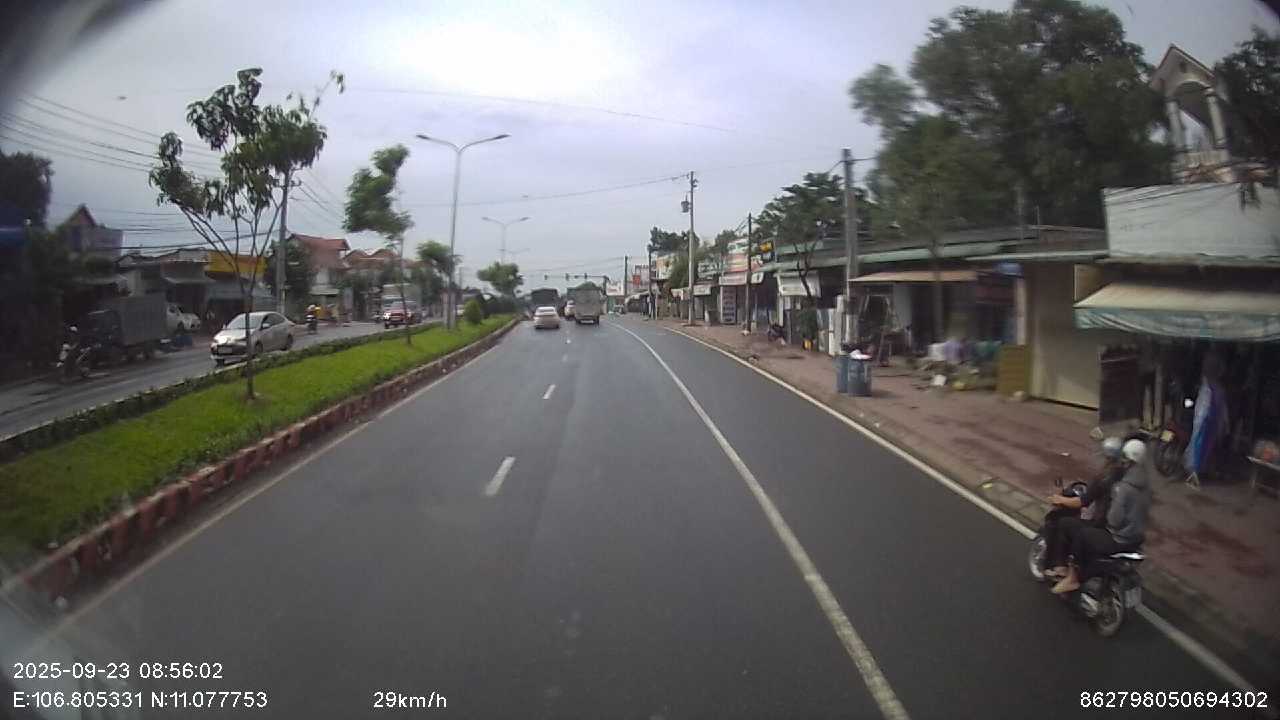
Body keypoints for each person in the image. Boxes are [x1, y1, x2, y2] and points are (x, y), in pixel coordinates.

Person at [1052, 439, 1152, 594]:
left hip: (1119, 538)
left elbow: (1114, 519)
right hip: (1137, 539)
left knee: (1082, 535)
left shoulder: (1122, 487)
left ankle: (1072, 577)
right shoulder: (1146, 487)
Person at [1043, 437, 1126, 579]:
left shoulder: (1104, 478)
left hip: (1101, 524)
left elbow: (1082, 502)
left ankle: (1061, 567)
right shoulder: (1124, 474)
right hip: (1118, 526)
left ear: (1107, 458)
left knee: (1064, 523)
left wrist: (1060, 499)